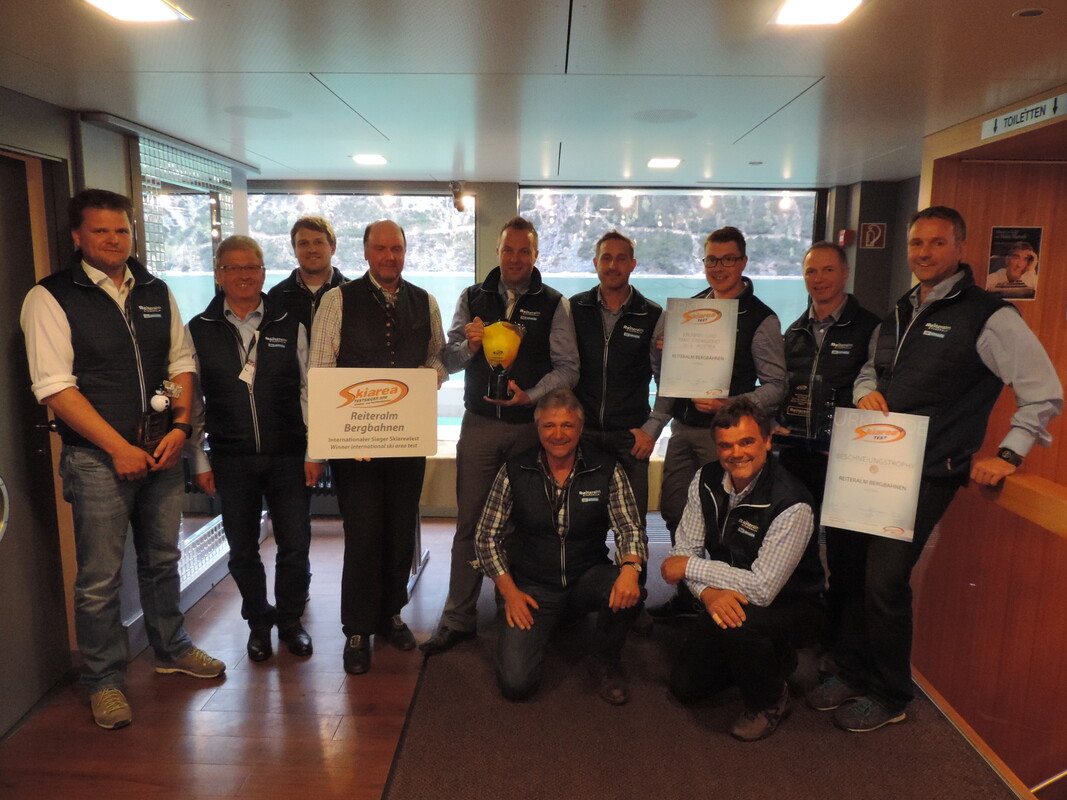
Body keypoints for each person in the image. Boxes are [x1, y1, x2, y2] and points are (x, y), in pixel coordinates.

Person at [807, 206, 1062, 732]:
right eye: (916, 243)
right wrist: (867, 392)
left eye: (937, 243)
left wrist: (1009, 453)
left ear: (960, 248)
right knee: (849, 570)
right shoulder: (902, 309)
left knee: (885, 582)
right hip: (873, 463)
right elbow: (870, 371)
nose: (924, 253)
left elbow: (1043, 391)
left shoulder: (988, 315)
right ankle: (851, 670)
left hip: (928, 469)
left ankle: (890, 693)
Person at [20, 189, 225, 730]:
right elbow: (55, 387)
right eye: (101, 231)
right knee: (99, 579)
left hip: (162, 453)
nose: (113, 240)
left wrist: (180, 426)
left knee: (162, 560)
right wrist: (118, 447)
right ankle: (104, 681)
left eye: (122, 230)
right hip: (96, 461)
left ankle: (171, 649)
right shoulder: (50, 297)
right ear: (77, 236)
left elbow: (180, 363)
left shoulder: (155, 290)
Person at [421, 216, 580, 655]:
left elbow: (568, 368)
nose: (515, 258)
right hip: (480, 426)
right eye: (508, 250)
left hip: (530, 430)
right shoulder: (472, 297)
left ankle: (517, 609)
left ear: (535, 255)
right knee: (470, 523)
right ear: (498, 252)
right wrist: (469, 346)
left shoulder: (554, 304)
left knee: (525, 524)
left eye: (524, 251)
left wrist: (532, 396)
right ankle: (459, 617)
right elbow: (448, 359)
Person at [309, 219, 447, 675]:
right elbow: (321, 372)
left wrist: (431, 376)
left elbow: (436, 356)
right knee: (364, 534)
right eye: (381, 249)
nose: (390, 257)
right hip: (356, 445)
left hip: (406, 439)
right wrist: (336, 436)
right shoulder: (337, 300)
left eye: (397, 249)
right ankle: (357, 628)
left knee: (401, 530)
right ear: (366, 252)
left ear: (405, 252)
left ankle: (391, 613)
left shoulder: (425, 301)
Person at [186, 235, 323, 663]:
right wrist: (200, 459)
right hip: (232, 458)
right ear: (219, 274)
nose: (243, 275)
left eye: (252, 267)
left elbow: (309, 391)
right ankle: (259, 623)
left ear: (263, 273)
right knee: (242, 549)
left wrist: (314, 452)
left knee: (295, 545)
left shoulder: (289, 324)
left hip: (288, 455)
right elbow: (193, 404)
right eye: (233, 267)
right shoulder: (198, 330)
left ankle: (290, 621)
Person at [664, 398, 824, 741]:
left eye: (747, 442)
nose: (736, 453)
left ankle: (769, 700)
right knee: (686, 687)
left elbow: (762, 589)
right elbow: (683, 549)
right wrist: (709, 594)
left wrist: (691, 567)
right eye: (726, 445)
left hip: (791, 603)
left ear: (767, 441)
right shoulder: (705, 479)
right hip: (726, 593)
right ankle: (771, 662)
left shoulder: (792, 502)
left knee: (741, 622)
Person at [649, 225, 787, 620]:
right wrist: (661, 350)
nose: (719, 267)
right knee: (676, 510)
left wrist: (733, 403)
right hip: (684, 430)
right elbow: (662, 373)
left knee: (726, 520)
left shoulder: (761, 318)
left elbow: (777, 385)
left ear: (743, 262)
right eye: (712, 259)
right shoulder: (686, 311)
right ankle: (689, 594)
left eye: (728, 259)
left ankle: (729, 600)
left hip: (729, 437)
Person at [475, 389, 647, 704]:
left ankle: (605, 660)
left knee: (630, 587)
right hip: (532, 586)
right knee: (517, 685)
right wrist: (510, 593)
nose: (558, 434)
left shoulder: (606, 468)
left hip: (586, 576)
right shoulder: (514, 470)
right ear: (538, 429)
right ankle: (548, 619)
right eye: (549, 426)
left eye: (567, 425)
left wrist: (630, 570)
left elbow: (629, 527)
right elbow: (486, 536)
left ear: (580, 429)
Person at [777, 241, 880, 515]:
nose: (819, 278)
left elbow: (877, 383)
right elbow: (782, 386)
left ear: (845, 273)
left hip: (845, 454)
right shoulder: (794, 332)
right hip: (795, 452)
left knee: (843, 536)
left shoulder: (870, 327)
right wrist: (776, 422)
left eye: (828, 270)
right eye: (811, 271)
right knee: (797, 531)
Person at [569, 229, 664, 519]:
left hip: (631, 438)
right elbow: (561, 367)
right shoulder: (573, 308)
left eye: (621, 258)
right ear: (595, 262)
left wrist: (652, 429)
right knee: (582, 522)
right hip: (583, 435)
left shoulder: (652, 315)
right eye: (606, 258)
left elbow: (667, 378)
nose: (613, 265)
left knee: (633, 524)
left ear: (633, 264)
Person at [267, 215, 348, 338]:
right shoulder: (276, 296)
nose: (312, 249)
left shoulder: (351, 294)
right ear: (295, 250)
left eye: (318, 242)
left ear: (332, 248)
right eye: (303, 243)